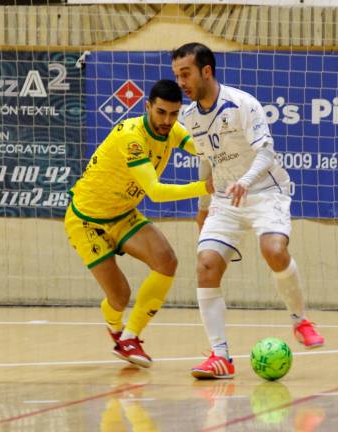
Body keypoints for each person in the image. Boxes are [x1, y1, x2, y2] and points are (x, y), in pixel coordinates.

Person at [171, 43, 325, 379]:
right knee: (206, 264)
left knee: (273, 250)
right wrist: (203, 204)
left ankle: (301, 321)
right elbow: (205, 160)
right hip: (226, 199)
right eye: (176, 75)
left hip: (265, 190)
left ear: (205, 71)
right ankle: (220, 356)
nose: (181, 82)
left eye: (185, 74)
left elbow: (266, 153)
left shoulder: (242, 104)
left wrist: (245, 181)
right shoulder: (188, 116)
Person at [65, 79, 213, 368]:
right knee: (120, 297)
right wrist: (205, 187)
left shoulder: (170, 130)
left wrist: (226, 149)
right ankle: (114, 324)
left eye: (173, 114)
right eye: (161, 113)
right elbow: (156, 193)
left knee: (167, 261)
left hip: (122, 213)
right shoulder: (131, 137)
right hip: (87, 219)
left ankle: (130, 337)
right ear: (147, 107)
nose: (166, 121)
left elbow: (199, 147)